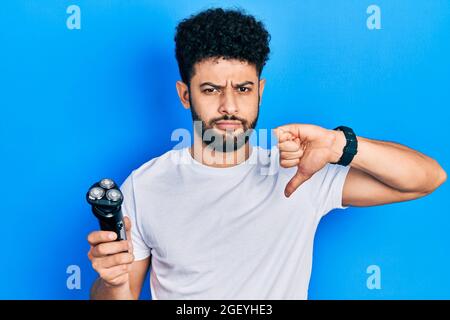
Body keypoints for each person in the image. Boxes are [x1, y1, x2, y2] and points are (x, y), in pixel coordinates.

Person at [87, 8, 446, 300]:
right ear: (185, 95)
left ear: (259, 91)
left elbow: (427, 179)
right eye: (211, 90)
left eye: (242, 89)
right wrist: (113, 282)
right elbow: (121, 296)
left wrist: (340, 144)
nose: (229, 106)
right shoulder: (145, 185)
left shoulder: (300, 170)